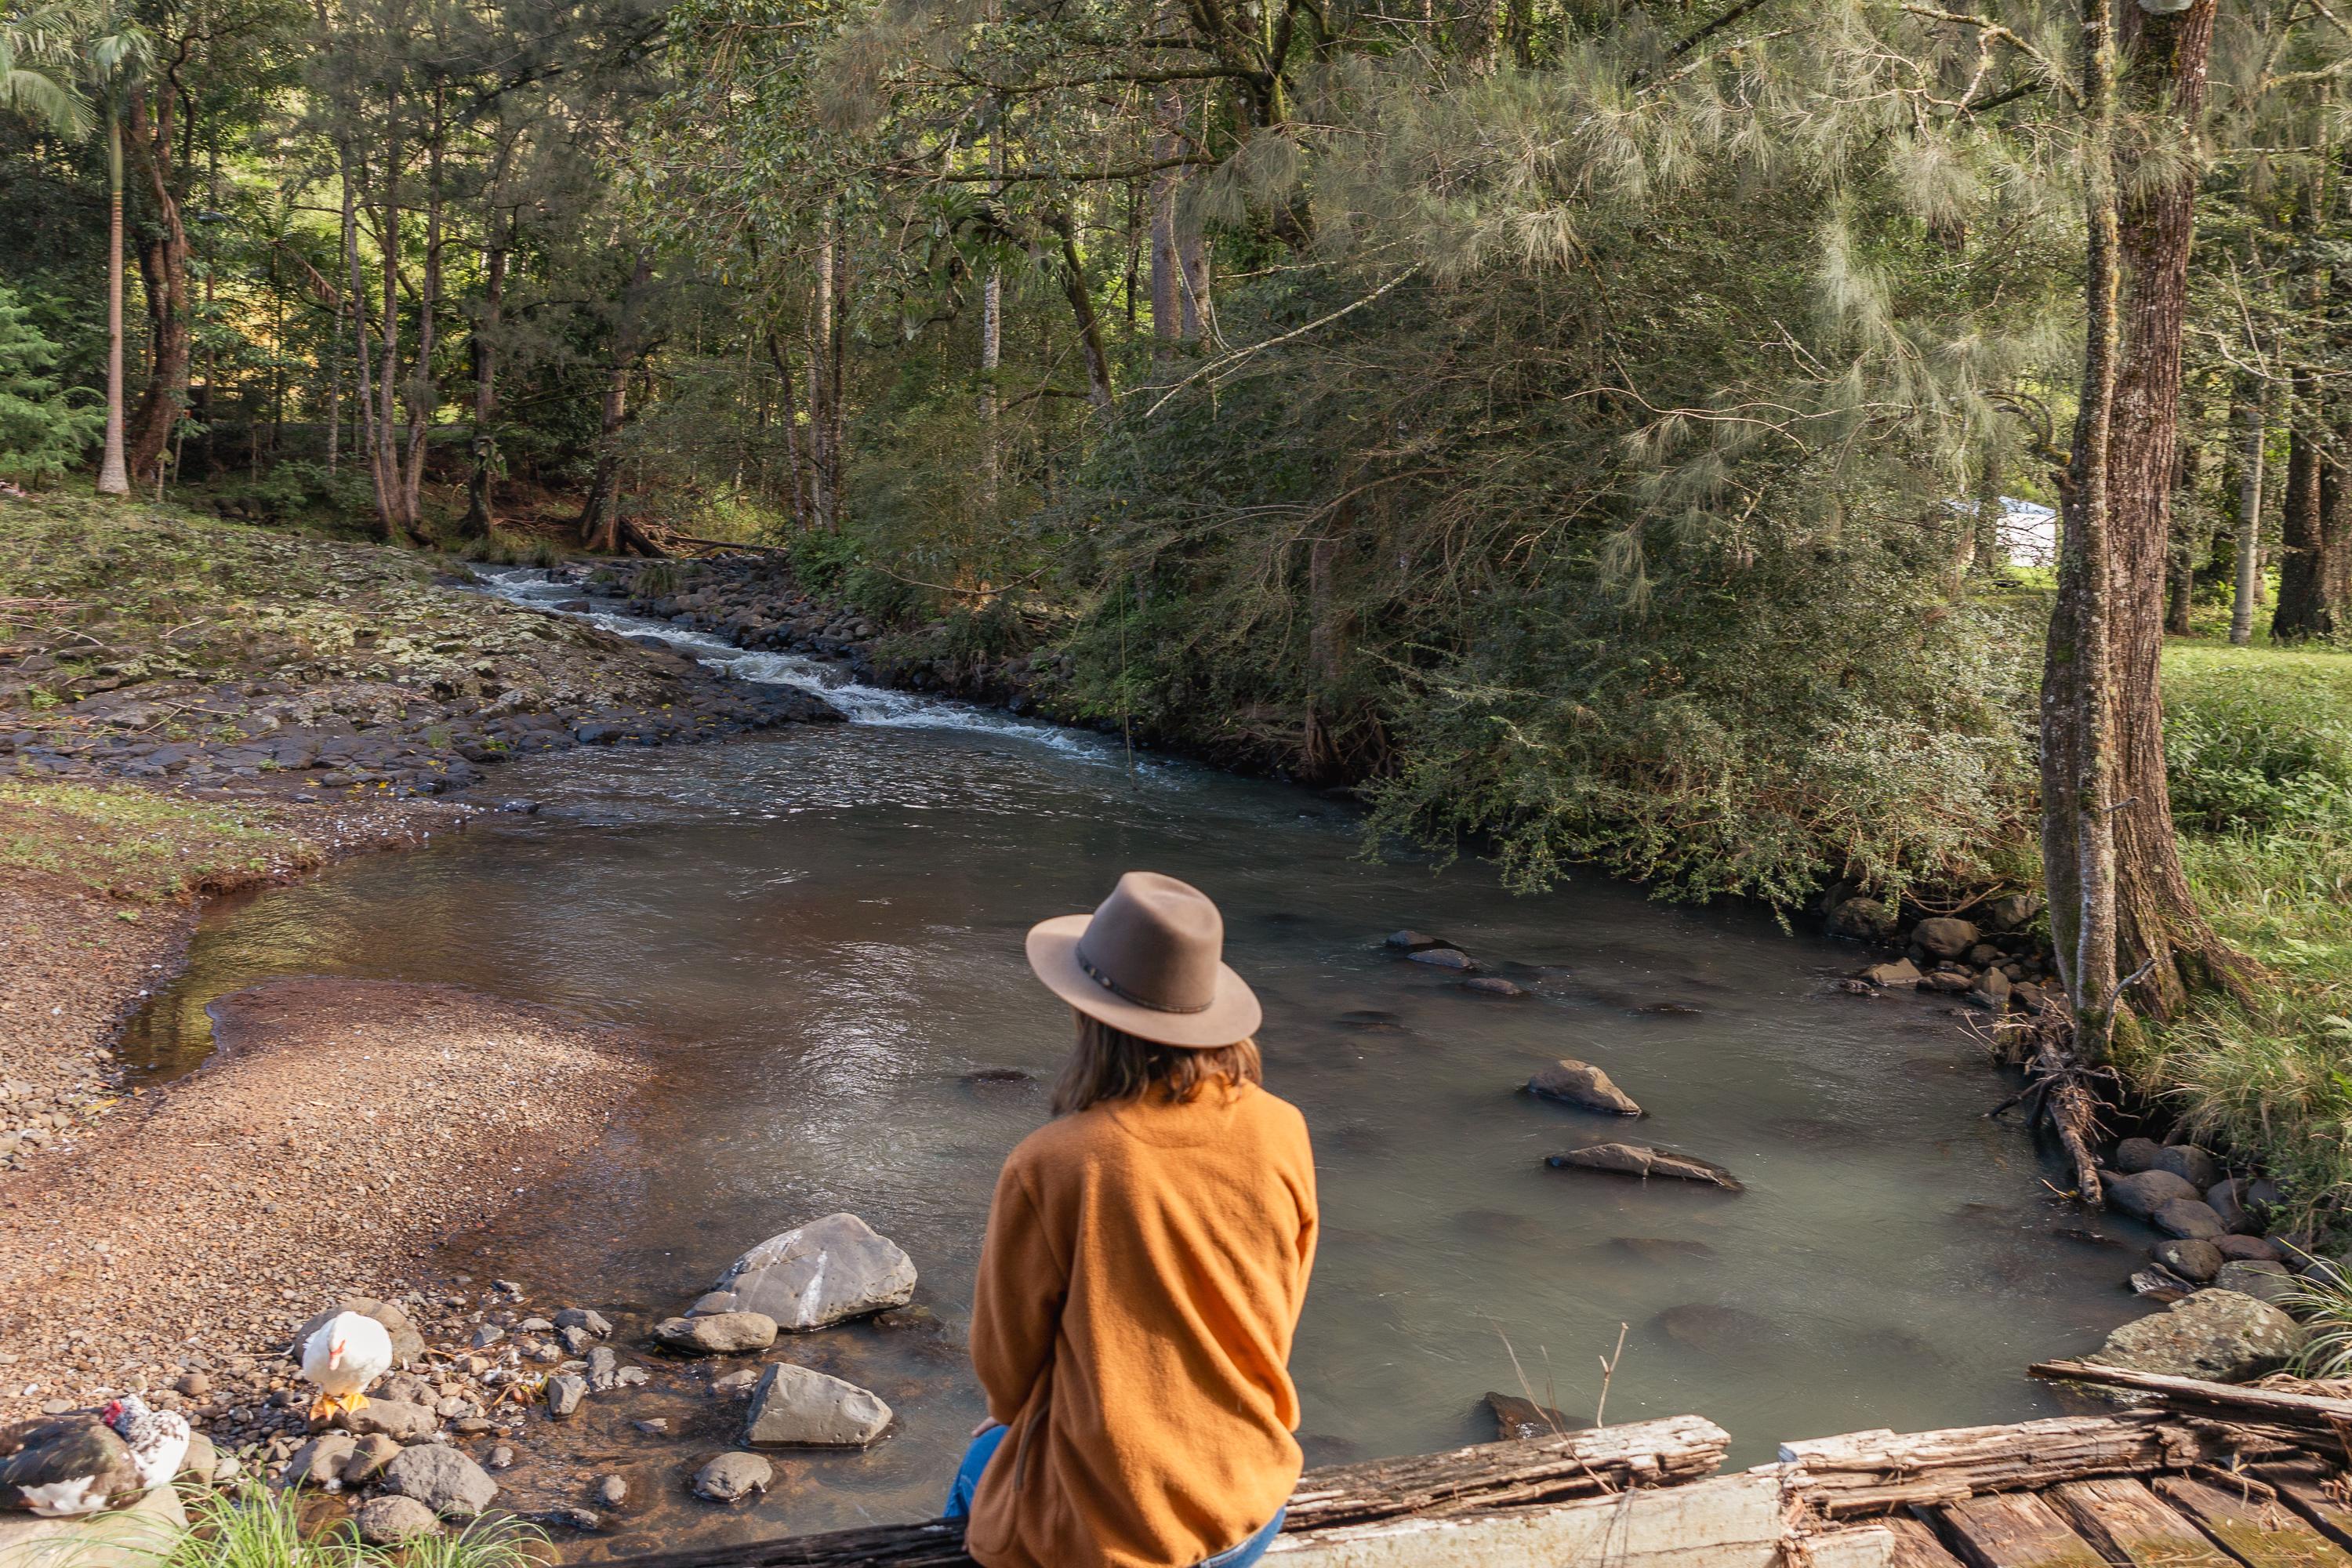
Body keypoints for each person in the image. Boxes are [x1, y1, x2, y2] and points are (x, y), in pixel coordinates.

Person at [945, 870, 1319, 1568]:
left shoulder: (1054, 1162)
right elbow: (1278, 1308)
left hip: (1115, 1540)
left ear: (1089, 1016)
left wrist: (1014, 1422)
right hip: (1250, 1498)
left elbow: (1006, 1373)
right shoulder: (1283, 1127)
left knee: (979, 1472)